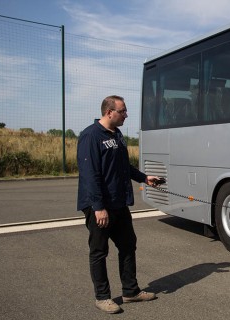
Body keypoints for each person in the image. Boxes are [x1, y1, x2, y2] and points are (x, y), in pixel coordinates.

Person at [77, 95, 161, 314]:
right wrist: (98, 207)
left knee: (127, 245)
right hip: (100, 206)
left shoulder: (118, 135)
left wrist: (144, 177)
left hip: (119, 203)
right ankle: (102, 297)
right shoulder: (90, 136)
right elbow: (90, 175)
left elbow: (124, 166)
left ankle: (130, 291)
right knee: (99, 251)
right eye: (122, 111)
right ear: (109, 112)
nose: (126, 115)